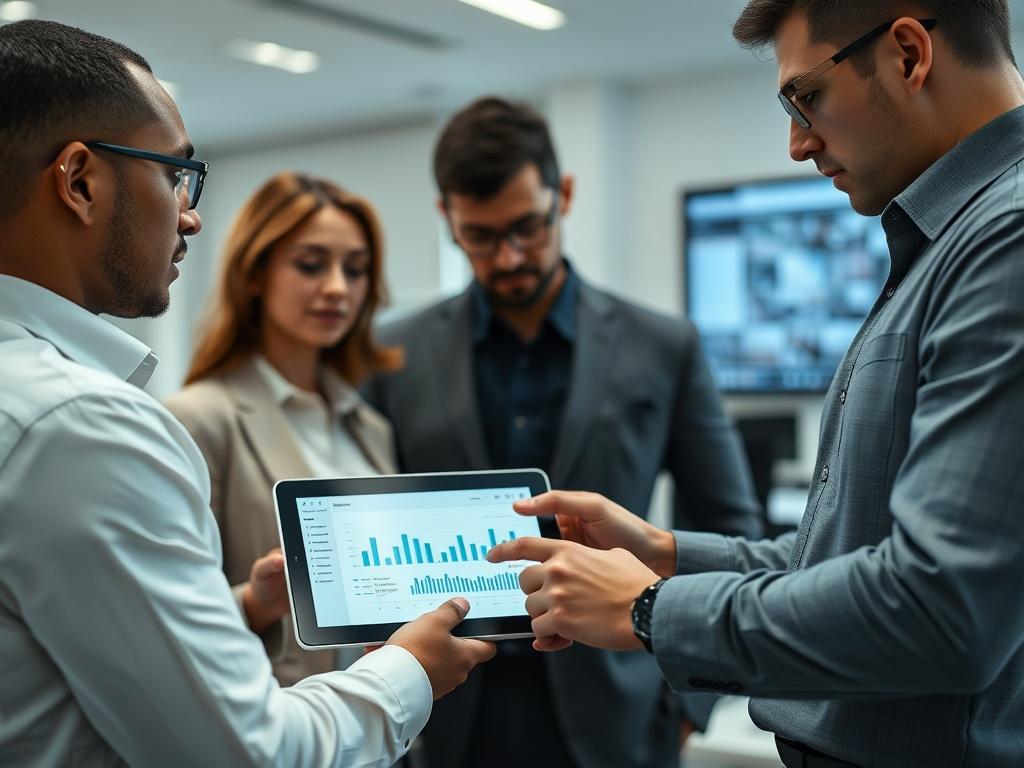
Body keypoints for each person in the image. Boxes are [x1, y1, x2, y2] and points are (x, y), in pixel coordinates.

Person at [486, 3, 1024, 767]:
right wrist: (663, 553)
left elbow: (941, 612)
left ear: (908, 54)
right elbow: (849, 561)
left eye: (806, 98)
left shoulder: (1007, 240)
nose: (798, 143)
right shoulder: (950, 245)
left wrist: (647, 607)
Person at [0, 20, 494, 766]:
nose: (190, 213)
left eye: (355, 268)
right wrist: (410, 673)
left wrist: (252, 604)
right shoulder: (85, 426)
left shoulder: (363, 417)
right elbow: (247, 752)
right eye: (175, 174)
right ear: (79, 181)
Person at [362, 97, 762, 768]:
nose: (509, 256)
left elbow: (727, 526)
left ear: (564, 196)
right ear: (447, 218)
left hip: (621, 716)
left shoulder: (662, 346)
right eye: (480, 237)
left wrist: (690, 708)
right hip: (445, 714)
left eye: (528, 227)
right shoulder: (392, 355)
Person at [166, 173, 401, 686]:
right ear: (255, 274)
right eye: (311, 265)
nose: (338, 288)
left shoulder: (371, 428)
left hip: (387, 709)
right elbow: (166, 617)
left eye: (356, 269)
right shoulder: (200, 418)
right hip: (274, 712)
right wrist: (256, 602)